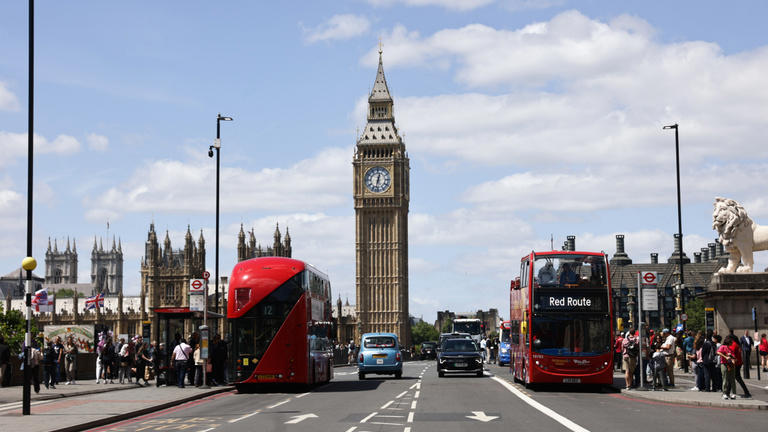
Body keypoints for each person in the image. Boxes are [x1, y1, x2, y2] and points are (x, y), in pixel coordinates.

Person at [717, 335, 737, 400]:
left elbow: (734, 358)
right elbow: (718, 352)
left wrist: (732, 358)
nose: (732, 343)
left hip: (731, 365)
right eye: (731, 342)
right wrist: (725, 356)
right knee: (725, 379)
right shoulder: (723, 347)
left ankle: (734, 393)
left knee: (732, 380)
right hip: (724, 364)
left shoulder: (731, 349)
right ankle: (724, 393)